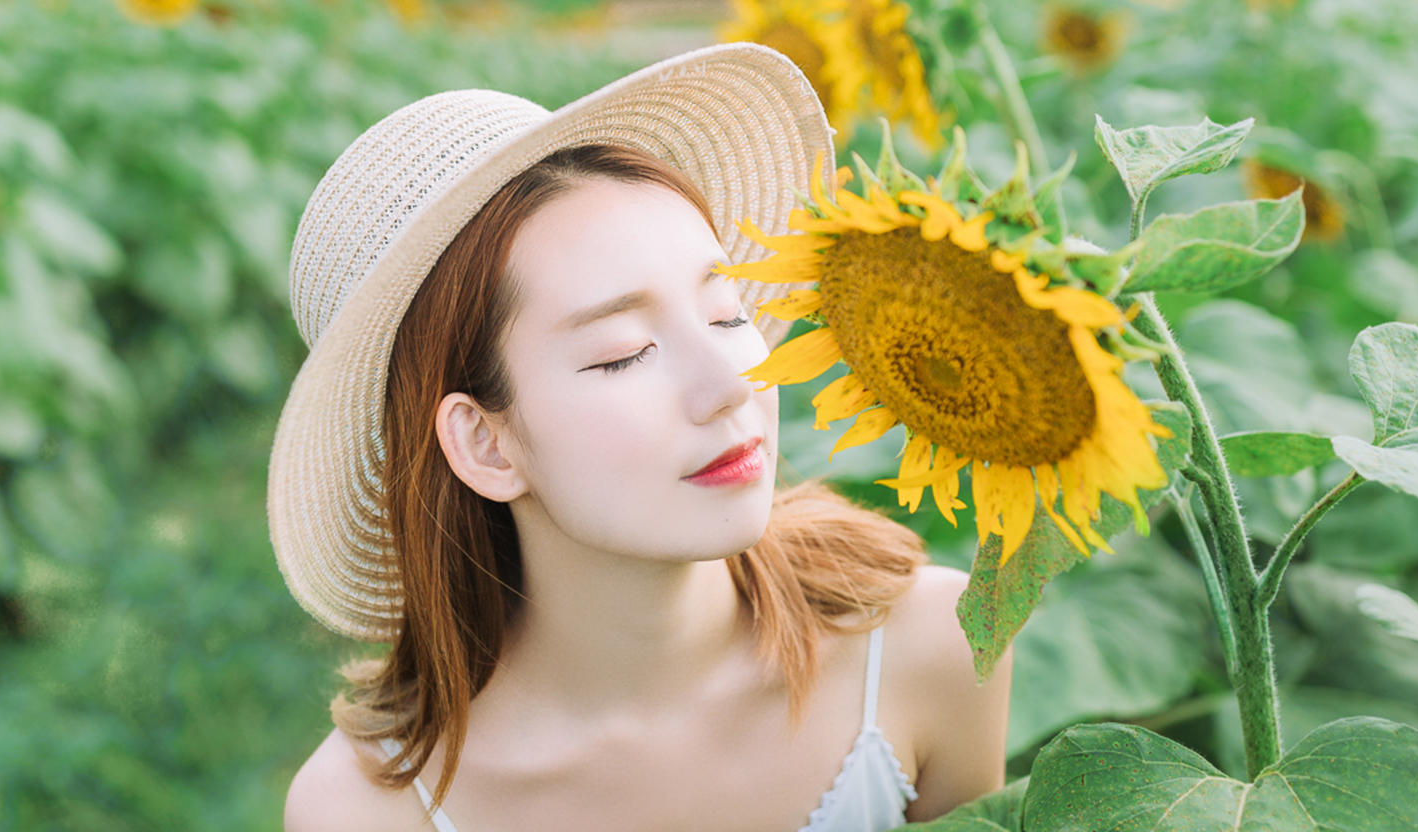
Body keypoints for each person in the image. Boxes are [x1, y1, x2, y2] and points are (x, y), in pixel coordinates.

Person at [272, 43, 1011, 831]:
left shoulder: (927, 647)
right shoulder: (368, 812)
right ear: (486, 444)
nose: (733, 382)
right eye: (624, 354)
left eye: (727, 315)